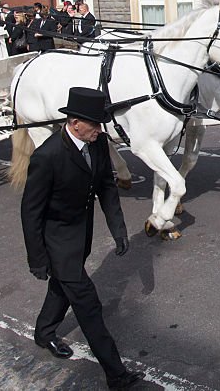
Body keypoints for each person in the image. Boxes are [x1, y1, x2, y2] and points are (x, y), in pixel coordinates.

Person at [20, 87, 142, 390]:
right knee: (88, 305)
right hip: (57, 241)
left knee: (62, 287)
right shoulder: (47, 156)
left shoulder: (97, 143)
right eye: (95, 124)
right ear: (75, 122)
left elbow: (106, 187)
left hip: (80, 234)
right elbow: (30, 212)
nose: (100, 131)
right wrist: (37, 259)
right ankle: (116, 375)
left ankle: (44, 332)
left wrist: (119, 230)